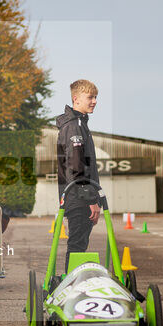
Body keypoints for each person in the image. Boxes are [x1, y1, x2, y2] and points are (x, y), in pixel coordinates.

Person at [56, 79, 101, 272]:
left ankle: (74, 288)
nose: (94, 101)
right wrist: (90, 199)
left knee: (79, 246)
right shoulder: (73, 126)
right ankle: (72, 290)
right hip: (78, 198)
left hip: (79, 197)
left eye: (96, 97)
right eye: (90, 97)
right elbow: (76, 167)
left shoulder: (80, 123)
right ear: (76, 99)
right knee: (76, 247)